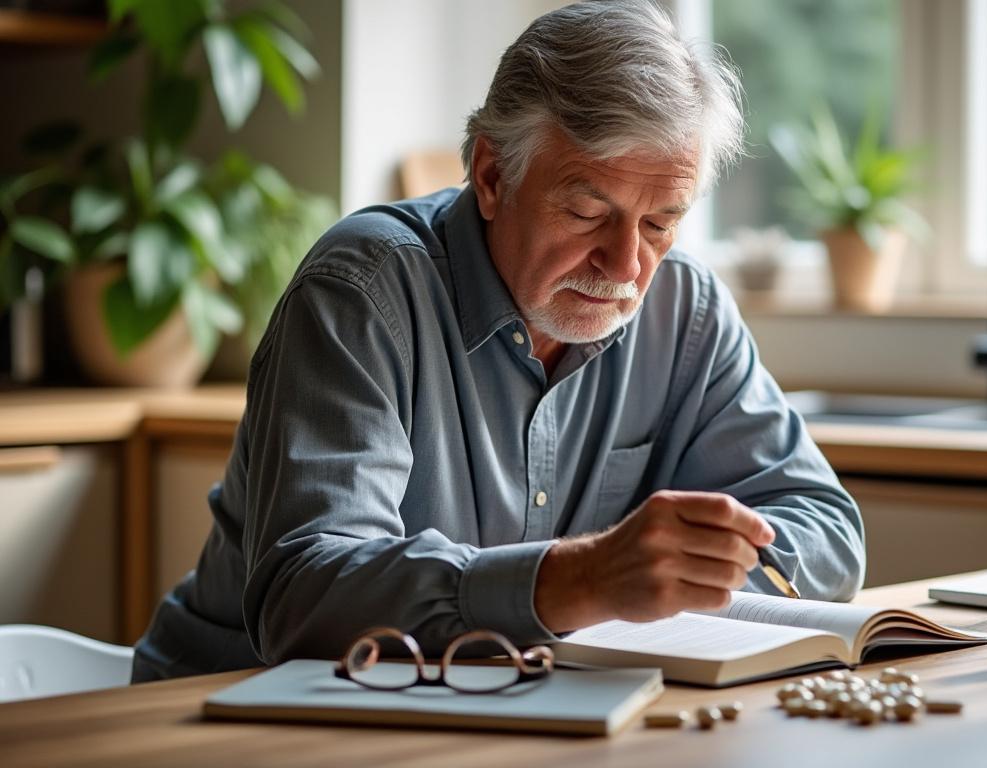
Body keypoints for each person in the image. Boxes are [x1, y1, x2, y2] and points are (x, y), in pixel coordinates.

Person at [132, 0, 864, 683]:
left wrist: (700, 561)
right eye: (586, 211)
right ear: (490, 174)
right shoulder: (362, 291)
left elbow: (827, 530)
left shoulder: (687, 310)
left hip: (490, 714)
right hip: (229, 716)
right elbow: (307, 597)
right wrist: (576, 580)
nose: (627, 266)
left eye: (659, 224)